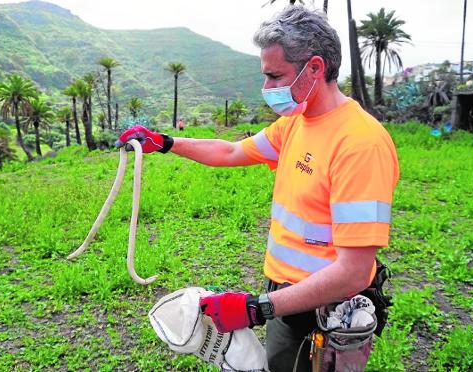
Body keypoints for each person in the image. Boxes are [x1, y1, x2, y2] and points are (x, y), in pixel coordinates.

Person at [116, 5, 399, 371]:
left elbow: (354, 272)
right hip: (284, 295)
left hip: (327, 313)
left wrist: (256, 308)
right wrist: (167, 142)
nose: (267, 88)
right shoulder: (296, 124)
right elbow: (232, 150)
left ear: (315, 68)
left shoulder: (360, 144)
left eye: (275, 76)